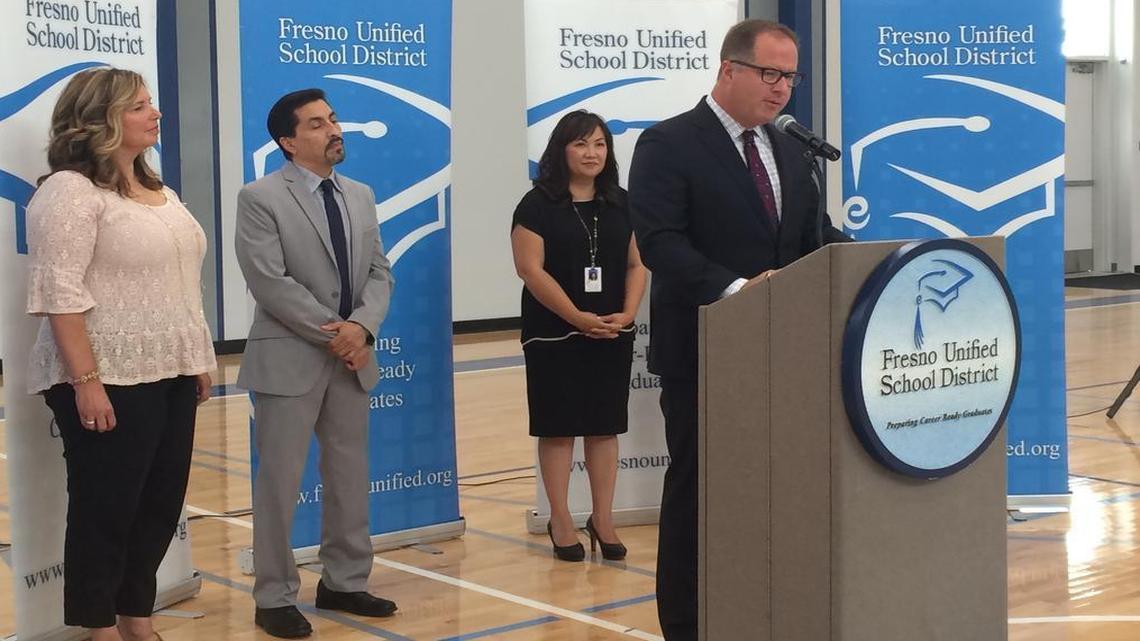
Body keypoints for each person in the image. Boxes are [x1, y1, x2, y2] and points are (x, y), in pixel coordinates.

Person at [627, 19, 851, 641]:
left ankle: (760, 610)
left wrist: (864, 258)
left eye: (791, 77)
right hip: (706, 351)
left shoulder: (788, 149)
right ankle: (686, 625)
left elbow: (813, 237)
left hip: (785, 353)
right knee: (698, 495)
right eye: (770, 74)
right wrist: (736, 291)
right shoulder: (668, 143)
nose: (782, 89)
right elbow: (661, 242)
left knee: (776, 493)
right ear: (729, 70)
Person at [25, 67, 216, 641]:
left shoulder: (161, 192)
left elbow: (182, 281)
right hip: (106, 374)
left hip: (173, 370)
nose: (154, 113)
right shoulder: (69, 191)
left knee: (160, 505)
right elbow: (60, 292)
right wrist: (86, 379)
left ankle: (138, 616)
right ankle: (98, 625)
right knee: (106, 510)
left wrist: (199, 357)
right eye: (138, 106)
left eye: (151, 102)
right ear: (99, 119)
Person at [235, 88, 396, 639]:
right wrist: (338, 332)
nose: (334, 129)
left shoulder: (360, 194)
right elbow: (269, 281)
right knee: (280, 481)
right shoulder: (260, 197)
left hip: (353, 354)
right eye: (317, 124)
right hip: (291, 357)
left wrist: (363, 328)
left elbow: (379, 272)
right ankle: (274, 595)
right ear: (287, 140)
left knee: (350, 474)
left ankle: (345, 581)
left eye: (333, 120)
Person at [511, 110, 647, 562]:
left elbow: (637, 263)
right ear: (561, 150)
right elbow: (530, 270)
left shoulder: (622, 202)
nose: (592, 153)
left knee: (604, 426)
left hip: (611, 330)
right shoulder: (536, 205)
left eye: (600, 145)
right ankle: (561, 518)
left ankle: (603, 518)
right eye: (581, 144)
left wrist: (627, 313)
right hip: (554, 333)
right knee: (558, 429)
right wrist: (576, 316)